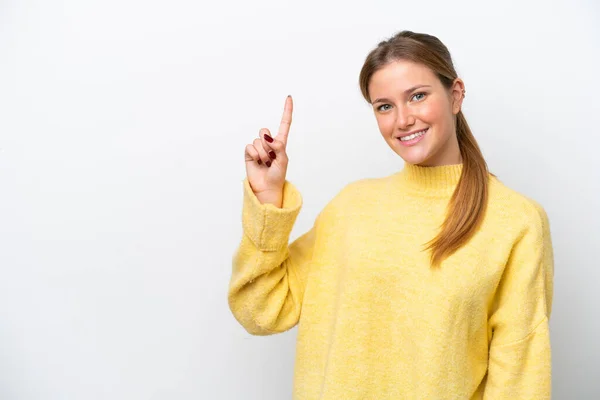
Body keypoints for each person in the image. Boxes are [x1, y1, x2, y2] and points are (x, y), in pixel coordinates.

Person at [228, 30, 554, 399]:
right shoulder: (350, 208)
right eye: (384, 106)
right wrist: (268, 200)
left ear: (456, 95)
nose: (403, 120)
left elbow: (520, 378)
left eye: (417, 96)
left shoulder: (516, 221)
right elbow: (261, 310)